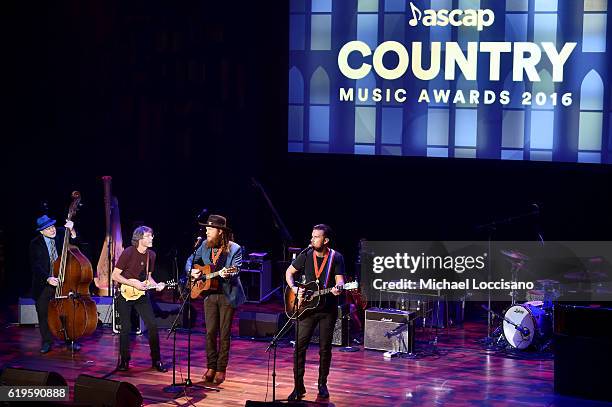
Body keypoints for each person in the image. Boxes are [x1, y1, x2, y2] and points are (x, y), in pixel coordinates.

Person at [285, 224, 345, 400]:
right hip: (305, 309)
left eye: (316, 237)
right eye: (311, 236)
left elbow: (340, 281)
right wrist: (294, 289)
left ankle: (322, 384)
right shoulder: (306, 255)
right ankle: (298, 387)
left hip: (327, 310)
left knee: (325, 349)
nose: (312, 240)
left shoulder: (336, 257)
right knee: (299, 348)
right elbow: (289, 272)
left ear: (325, 240)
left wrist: (339, 288)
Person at [186, 214, 245, 385]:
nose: (206, 231)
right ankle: (211, 366)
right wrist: (193, 271)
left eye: (210, 228)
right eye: (206, 228)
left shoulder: (234, 249)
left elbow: (237, 270)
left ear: (220, 231)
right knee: (210, 332)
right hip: (209, 294)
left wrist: (229, 273)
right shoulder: (204, 245)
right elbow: (190, 261)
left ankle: (221, 369)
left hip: (227, 294)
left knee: (224, 333)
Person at [111, 226, 167, 372]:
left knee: (153, 326)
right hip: (124, 294)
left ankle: (156, 360)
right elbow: (115, 275)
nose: (151, 238)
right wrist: (132, 282)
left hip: (141, 295)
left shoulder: (151, 255)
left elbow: (149, 277)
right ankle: (124, 361)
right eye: (148, 236)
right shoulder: (129, 252)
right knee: (126, 328)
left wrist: (157, 285)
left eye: (152, 235)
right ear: (139, 238)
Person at [29, 215, 78, 353]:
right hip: (44, 283)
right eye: (48, 228)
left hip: (63, 281)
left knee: (66, 312)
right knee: (43, 313)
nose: (52, 230)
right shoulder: (35, 243)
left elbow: (77, 242)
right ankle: (47, 342)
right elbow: (36, 265)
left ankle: (70, 340)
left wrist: (72, 230)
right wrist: (48, 278)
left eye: (52, 227)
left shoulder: (62, 233)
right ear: (41, 231)